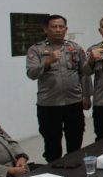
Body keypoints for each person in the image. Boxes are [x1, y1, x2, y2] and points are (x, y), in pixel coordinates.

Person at [26, 15, 92, 163]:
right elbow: (31, 73)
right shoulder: (36, 49)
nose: (57, 30)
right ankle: (53, 171)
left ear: (66, 29)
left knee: (75, 140)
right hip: (49, 104)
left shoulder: (75, 48)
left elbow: (85, 73)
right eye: (54, 27)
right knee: (52, 143)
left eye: (61, 27)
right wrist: (47, 61)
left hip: (73, 102)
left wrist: (87, 96)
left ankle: (74, 169)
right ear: (46, 29)